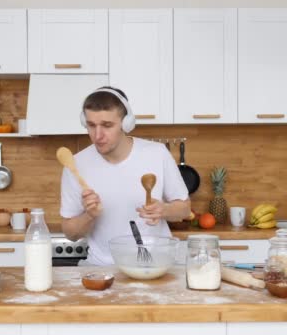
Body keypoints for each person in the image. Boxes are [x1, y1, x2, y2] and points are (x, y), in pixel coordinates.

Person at [59, 86, 191, 266]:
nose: (98, 135)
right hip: (102, 269)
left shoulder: (157, 154)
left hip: (155, 266)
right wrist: (89, 215)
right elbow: (70, 233)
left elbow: (184, 209)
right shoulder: (75, 165)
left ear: (126, 123)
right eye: (91, 125)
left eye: (107, 125)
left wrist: (164, 210)